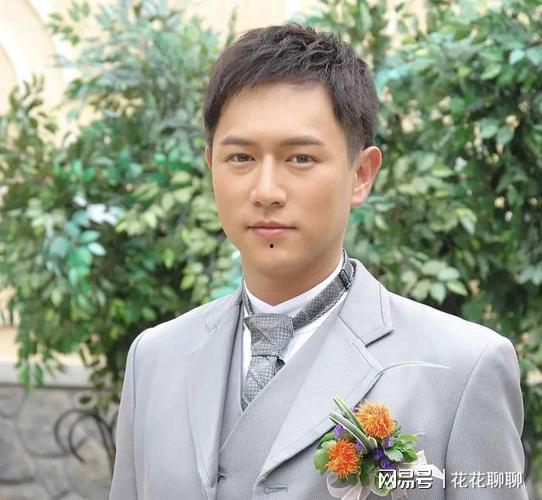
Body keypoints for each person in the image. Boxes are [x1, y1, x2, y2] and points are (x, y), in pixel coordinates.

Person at [109, 24, 527, 499]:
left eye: (301, 159)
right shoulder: (154, 359)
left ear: (361, 174)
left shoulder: (464, 367)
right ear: (211, 167)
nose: (266, 191)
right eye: (240, 157)